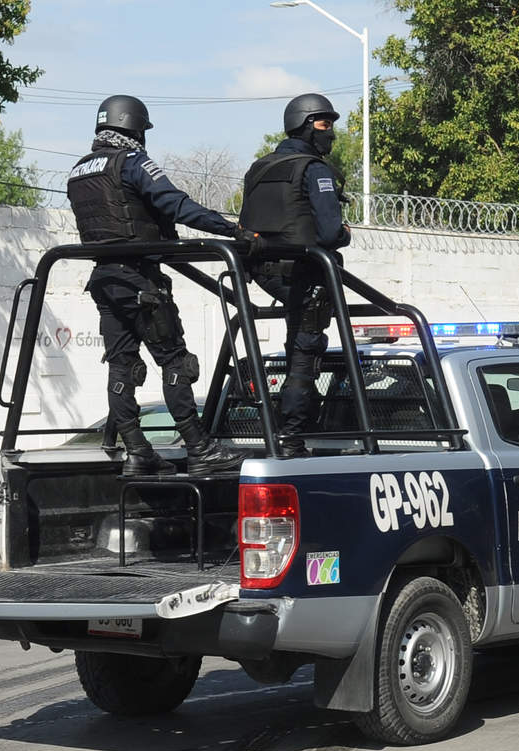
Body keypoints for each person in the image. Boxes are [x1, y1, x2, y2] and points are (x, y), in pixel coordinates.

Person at [67, 94, 249, 475]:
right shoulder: (131, 162)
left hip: (105, 281)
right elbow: (175, 204)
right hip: (140, 280)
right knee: (176, 362)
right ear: (134, 128)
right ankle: (199, 449)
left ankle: (137, 450)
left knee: (122, 367)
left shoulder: (79, 171)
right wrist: (230, 229)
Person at [239, 93, 351, 457]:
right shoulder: (314, 169)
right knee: (305, 354)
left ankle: (287, 423)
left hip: (264, 273)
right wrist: (345, 234)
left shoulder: (258, 167)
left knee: (294, 344)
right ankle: (291, 434)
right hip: (306, 273)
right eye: (324, 124)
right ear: (305, 126)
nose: (330, 133)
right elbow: (330, 232)